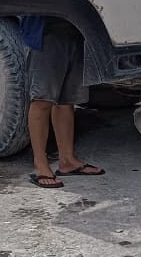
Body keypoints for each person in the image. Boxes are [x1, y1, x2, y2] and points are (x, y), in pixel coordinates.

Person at [23, 17, 104, 189]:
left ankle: (67, 160)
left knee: (66, 100)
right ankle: (40, 164)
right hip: (47, 32)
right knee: (42, 99)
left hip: (77, 28)